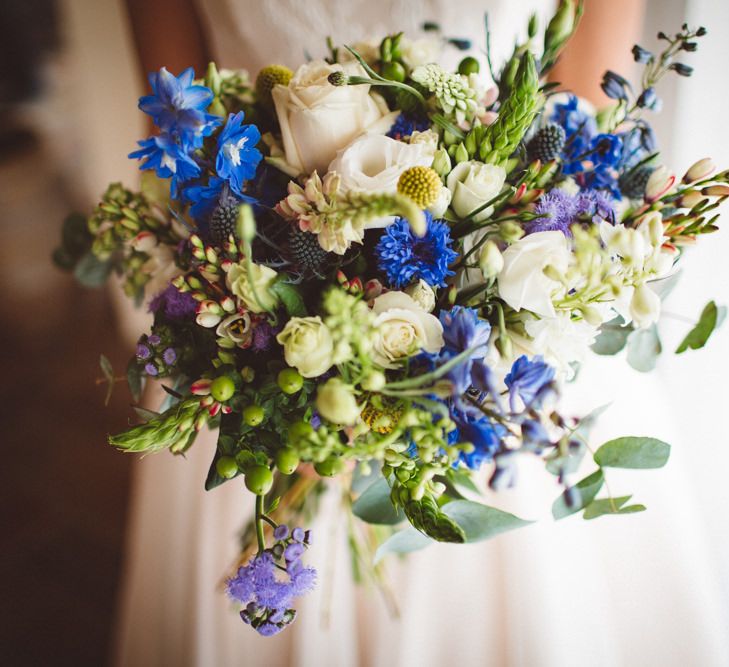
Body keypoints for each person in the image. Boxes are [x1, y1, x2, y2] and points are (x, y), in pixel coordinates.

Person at [111, 1, 729, 665]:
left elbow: (580, 120)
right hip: (255, 292)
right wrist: (276, 313)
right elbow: (176, 123)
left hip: (512, 332)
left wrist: (471, 311)